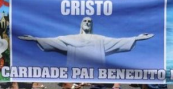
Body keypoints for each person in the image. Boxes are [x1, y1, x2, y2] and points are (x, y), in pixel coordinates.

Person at [18, 18, 154, 68]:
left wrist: (136, 38)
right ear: (81, 24)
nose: (87, 23)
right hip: (76, 69)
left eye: (90, 22)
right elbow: (54, 41)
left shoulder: (99, 39)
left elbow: (117, 42)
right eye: (85, 21)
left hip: (95, 69)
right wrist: (34, 39)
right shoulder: (71, 38)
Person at [134, 0, 168, 89]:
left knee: (149, 58)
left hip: (147, 25)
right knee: (160, 57)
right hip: (163, 24)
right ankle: (162, 88)